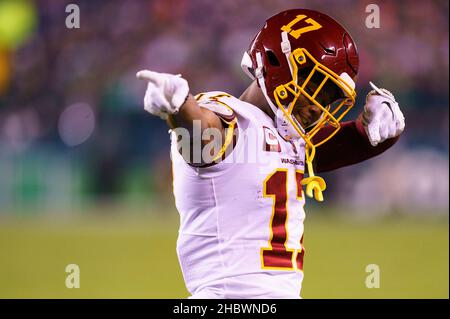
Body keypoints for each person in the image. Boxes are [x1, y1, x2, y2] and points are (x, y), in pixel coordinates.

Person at [136, 9, 405, 299]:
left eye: (329, 97)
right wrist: (179, 106)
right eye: (316, 86)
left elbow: (352, 143)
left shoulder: (288, 136)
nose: (318, 106)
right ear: (276, 63)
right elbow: (204, 135)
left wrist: (380, 127)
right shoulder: (228, 117)